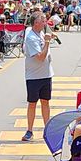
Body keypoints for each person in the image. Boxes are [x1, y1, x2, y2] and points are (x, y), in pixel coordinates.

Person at [21, 9, 55, 141]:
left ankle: (47, 129)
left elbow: (47, 30)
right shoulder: (31, 37)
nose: (45, 23)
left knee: (45, 102)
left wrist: (50, 35)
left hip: (46, 74)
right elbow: (40, 57)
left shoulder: (38, 32)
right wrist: (47, 42)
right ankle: (30, 130)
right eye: (43, 21)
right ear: (36, 23)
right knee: (32, 103)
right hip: (34, 76)